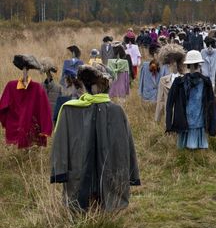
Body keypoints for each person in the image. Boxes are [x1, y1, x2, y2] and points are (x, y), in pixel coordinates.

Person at [50, 64, 140, 211]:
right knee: (79, 204)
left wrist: (131, 173)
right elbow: (60, 143)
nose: (96, 87)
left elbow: (127, 145)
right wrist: (60, 171)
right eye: (93, 83)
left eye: (100, 83)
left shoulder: (117, 111)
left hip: (110, 179)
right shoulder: (70, 109)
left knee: (106, 202)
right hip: (79, 173)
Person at [166, 50, 216, 150]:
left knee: (188, 150)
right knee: (195, 150)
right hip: (188, 122)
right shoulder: (180, 82)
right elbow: (213, 105)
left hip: (194, 122)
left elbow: (169, 104)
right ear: (199, 64)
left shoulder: (204, 82)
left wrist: (169, 125)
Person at [155, 44, 185, 122]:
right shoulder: (163, 80)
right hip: (169, 116)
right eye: (171, 62)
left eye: (175, 61)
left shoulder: (185, 78)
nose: (173, 64)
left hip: (182, 117)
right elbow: (160, 100)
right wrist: (157, 118)